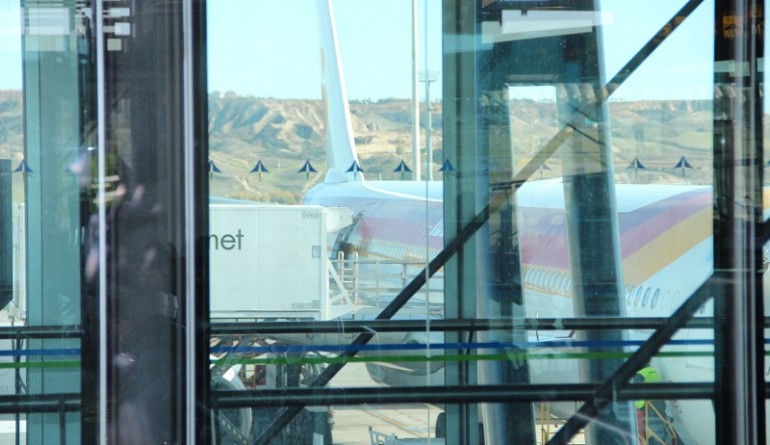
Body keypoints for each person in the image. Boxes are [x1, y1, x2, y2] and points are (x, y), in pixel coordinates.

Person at [633, 363, 677, 445]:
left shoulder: (639, 376)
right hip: (659, 409)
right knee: (662, 435)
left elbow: (639, 401)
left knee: (655, 437)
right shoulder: (652, 371)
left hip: (650, 412)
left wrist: (637, 408)